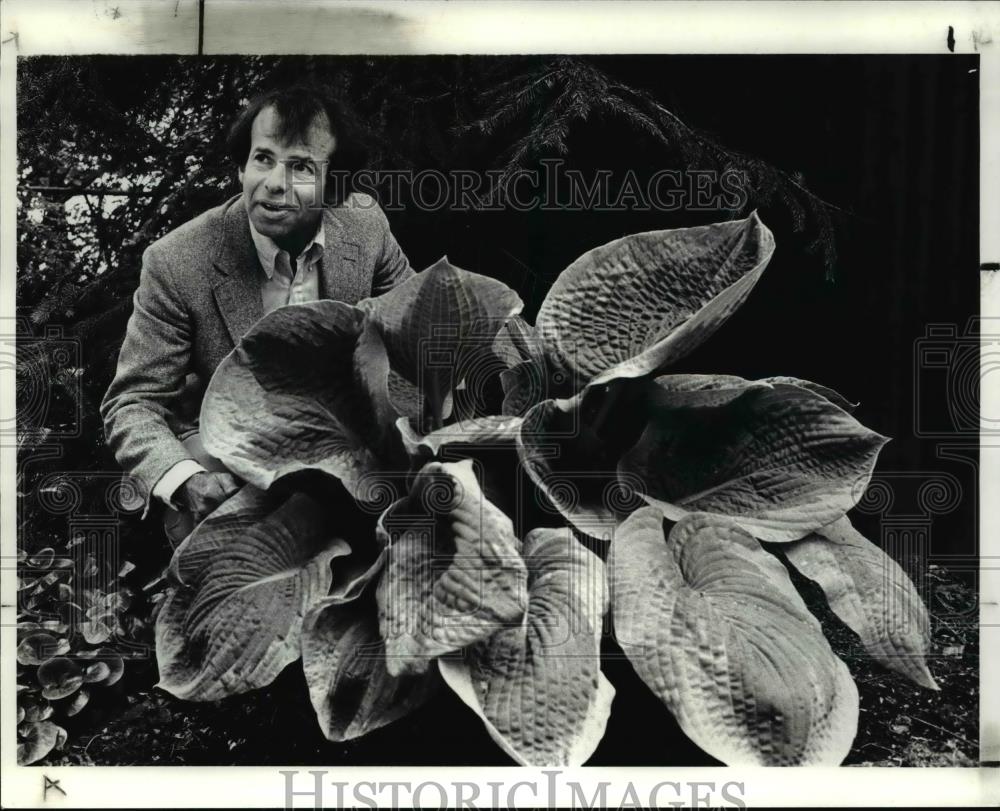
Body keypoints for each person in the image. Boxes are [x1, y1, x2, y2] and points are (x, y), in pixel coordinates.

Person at [101, 83, 414, 534]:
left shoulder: (364, 226)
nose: (274, 183)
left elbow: (416, 328)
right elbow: (133, 402)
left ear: (335, 188)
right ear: (242, 167)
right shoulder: (177, 261)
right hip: (233, 449)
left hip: (347, 435)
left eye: (302, 167)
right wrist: (187, 480)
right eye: (263, 158)